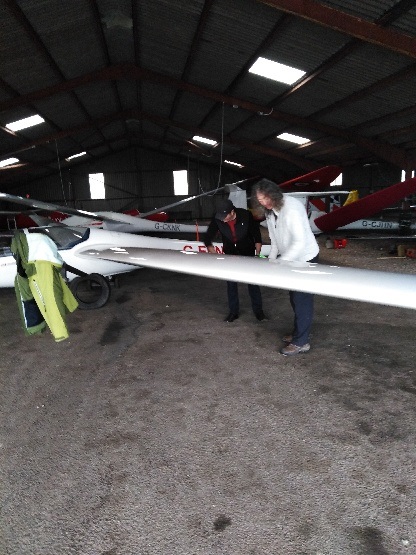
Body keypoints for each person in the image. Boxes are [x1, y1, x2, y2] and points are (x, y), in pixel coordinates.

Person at [251, 178, 319, 356]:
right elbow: (274, 240)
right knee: (294, 298)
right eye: (260, 200)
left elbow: (299, 243)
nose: (264, 203)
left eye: (266, 198)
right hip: (289, 259)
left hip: (305, 258)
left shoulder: (292, 209)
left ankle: (301, 342)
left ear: (273, 193)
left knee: (302, 300)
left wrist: (281, 262)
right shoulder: (270, 211)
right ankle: (299, 333)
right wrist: (271, 261)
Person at [204, 198, 267, 322]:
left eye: (225, 216)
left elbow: (256, 233)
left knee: (253, 283)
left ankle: (259, 312)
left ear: (232, 212)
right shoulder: (218, 218)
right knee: (231, 284)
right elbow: (207, 237)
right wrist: (211, 249)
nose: (222, 220)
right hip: (230, 254)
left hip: (247, 253)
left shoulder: (245, 215)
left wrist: (258, 250)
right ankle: (233, 312)